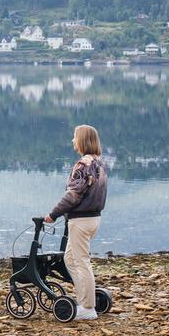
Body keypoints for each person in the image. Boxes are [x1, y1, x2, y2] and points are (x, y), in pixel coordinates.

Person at [44, 124, 107, 321]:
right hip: (94, 218)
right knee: (70, 259)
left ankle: (88, 308)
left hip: (80, 221)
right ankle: (84, 300)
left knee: (81, 262)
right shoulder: (99, 163)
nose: (73, 141)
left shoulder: (82, 165)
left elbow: (73, 195)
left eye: (75, 137)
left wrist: (53, 214)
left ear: (83, 140)